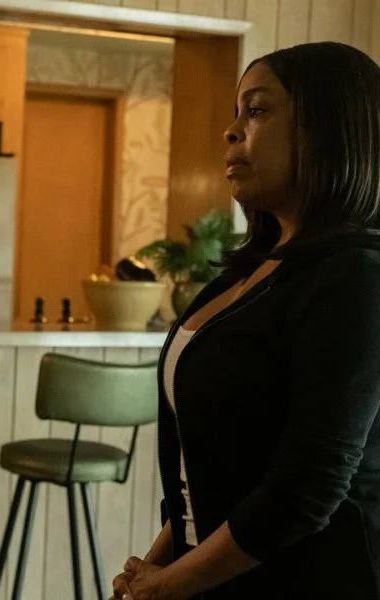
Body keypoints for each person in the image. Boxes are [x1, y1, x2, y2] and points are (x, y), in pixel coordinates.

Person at [112, 41, 380, 600]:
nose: (231, 132)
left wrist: (167, 585)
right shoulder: (251, 270)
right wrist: (158, 564)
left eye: (255, 110)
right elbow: (213, 469)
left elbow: (306, 489)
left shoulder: (356, 276)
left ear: (328, 128)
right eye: (237, 112)